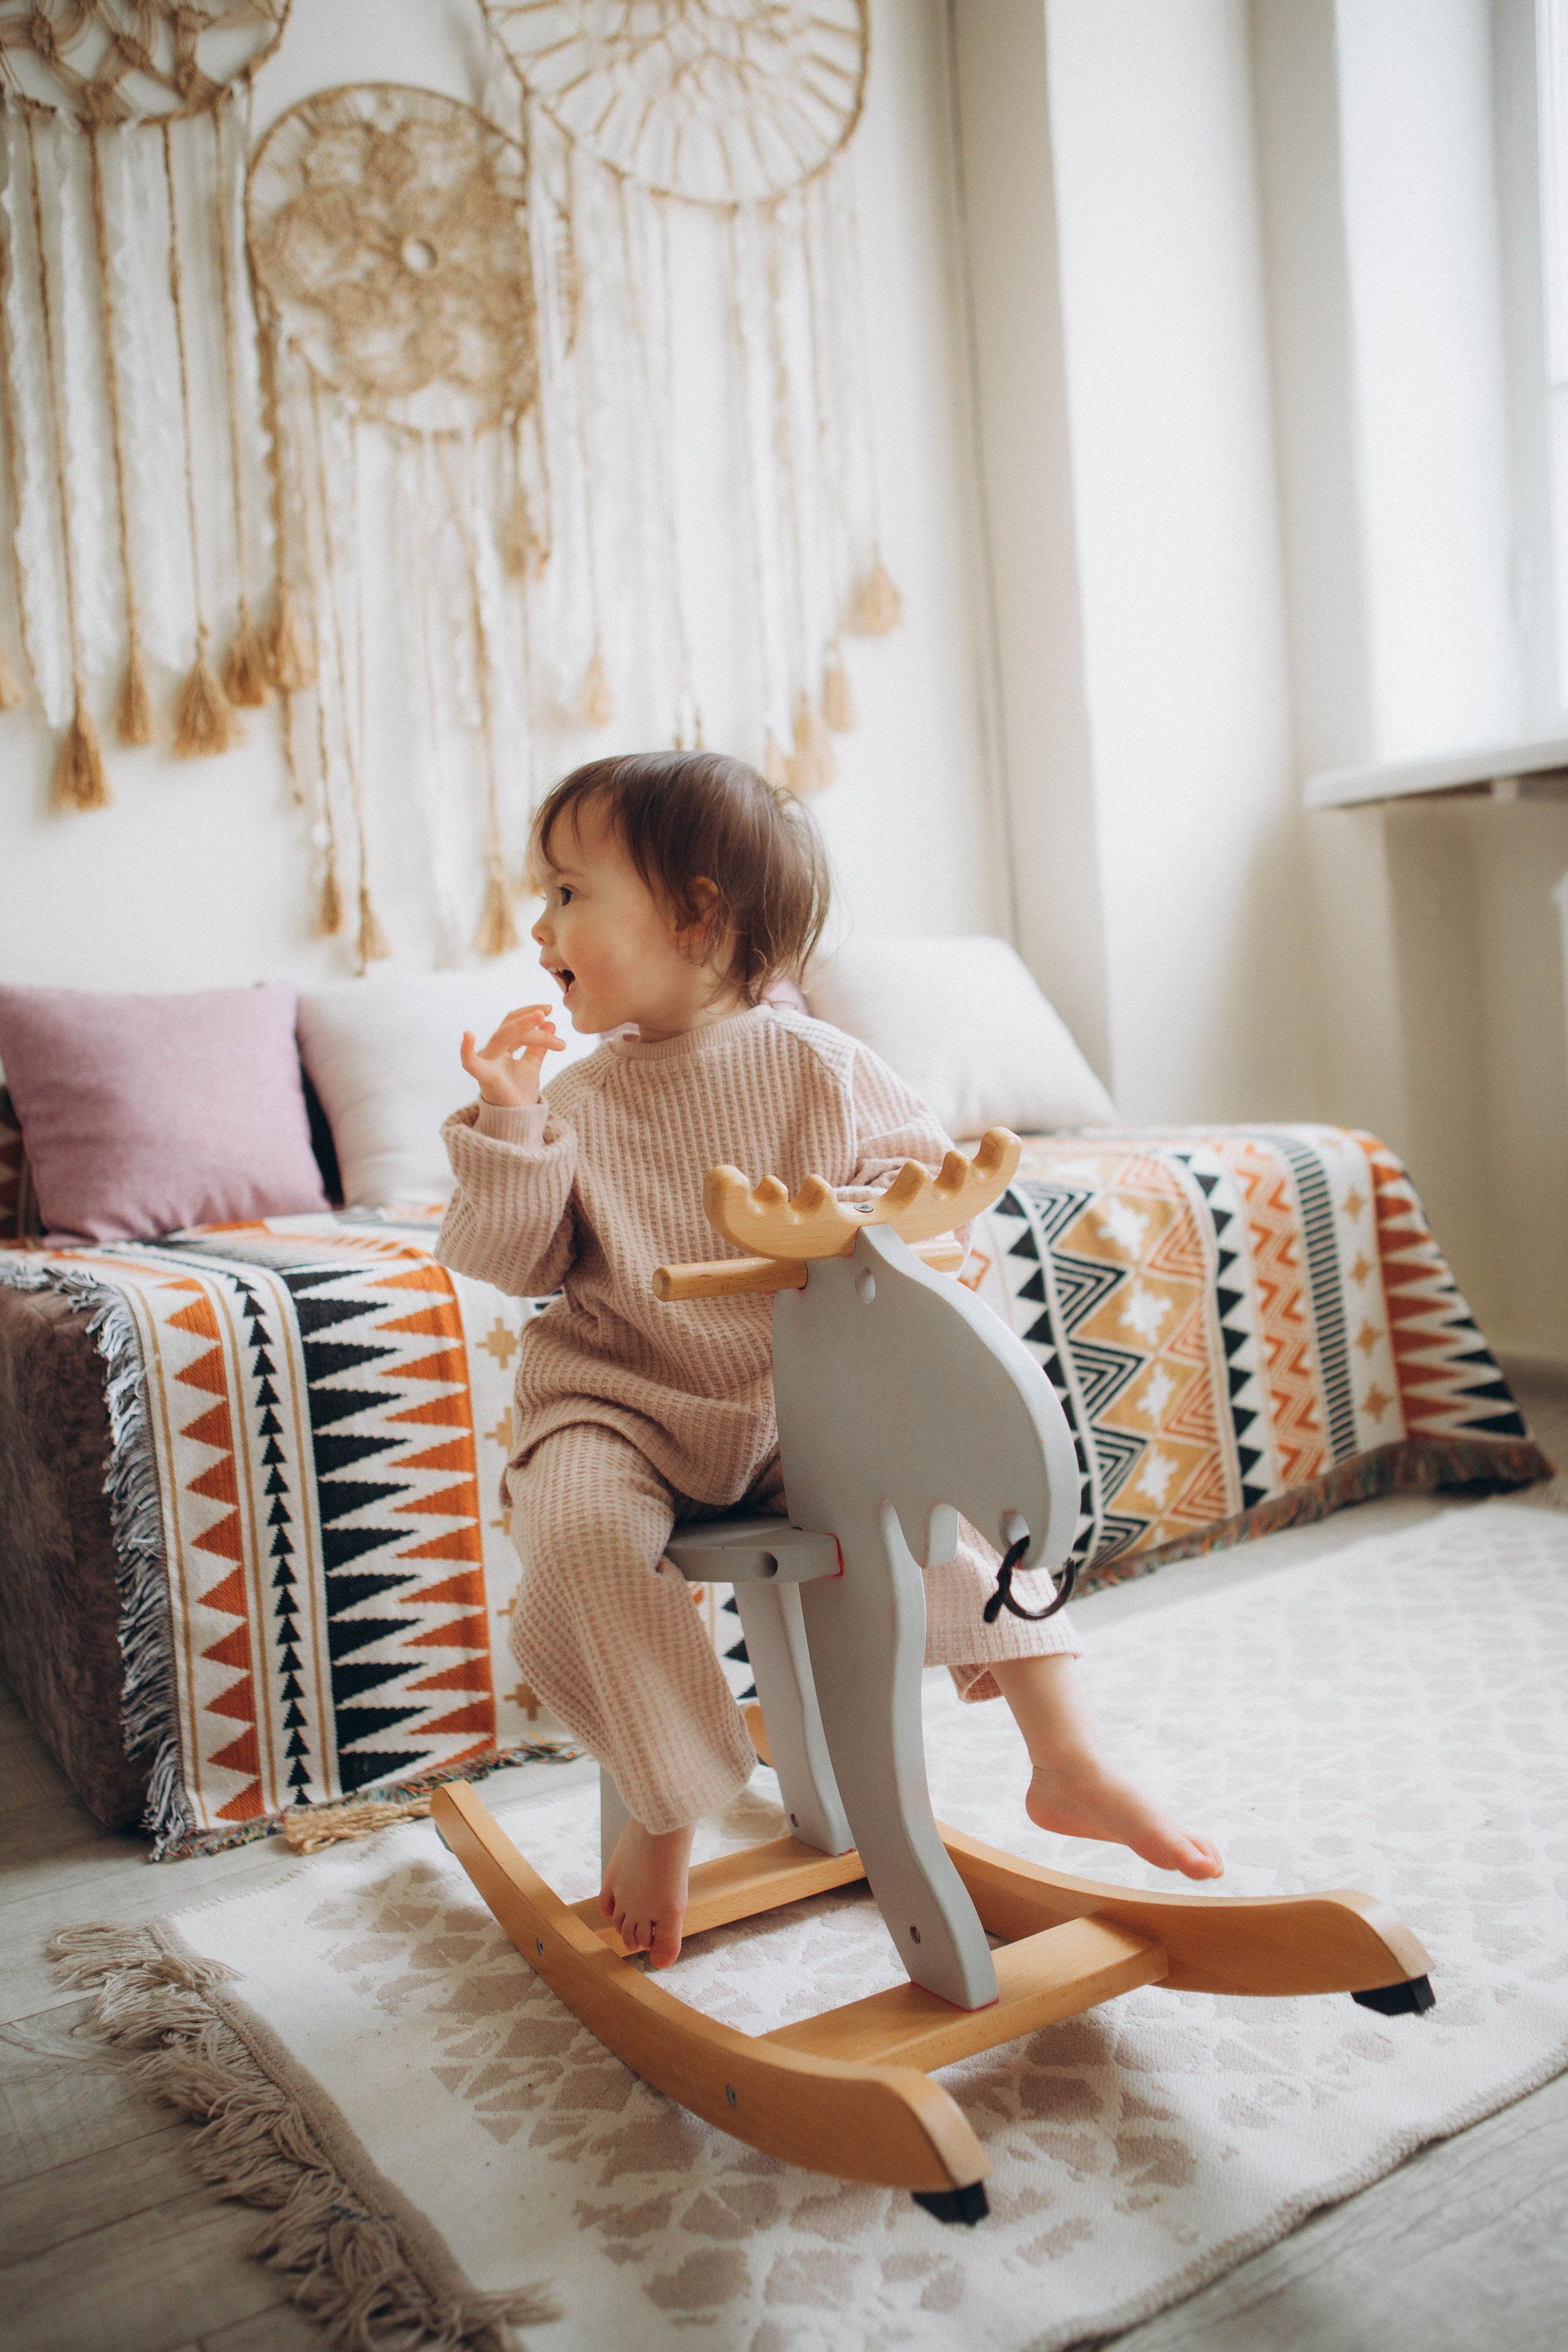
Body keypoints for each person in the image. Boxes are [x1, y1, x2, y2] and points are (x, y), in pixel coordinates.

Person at [438, 750, 1221, 1969]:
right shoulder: (577, 1098)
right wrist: (510, 1124)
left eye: (568, 893)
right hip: (616, 1403)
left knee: (951, 1509)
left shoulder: (824, 1068)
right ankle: (671, 1796)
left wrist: (870, 1229)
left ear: (694, 913)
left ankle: (1063, 1757)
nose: (537, 923)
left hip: (789, 1410)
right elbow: (510, 1258)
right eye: (543, 897)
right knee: (582, 1533)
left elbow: (920, 1211)